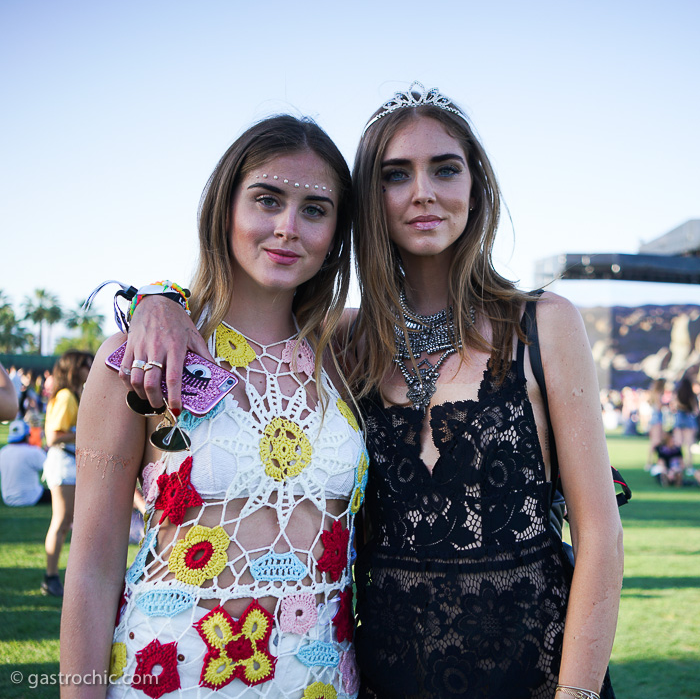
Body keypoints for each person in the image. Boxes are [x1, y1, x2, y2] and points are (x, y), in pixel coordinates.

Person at [119, 83, 624, 699]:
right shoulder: (343, 343)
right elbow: (244, 310)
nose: (423, 192)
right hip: (382, 682)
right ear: (367, 201)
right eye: (395, 175)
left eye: (446, 169)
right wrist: (159, 296)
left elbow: (599, 532)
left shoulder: (542, 324)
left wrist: (577, 692)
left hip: (537, 679)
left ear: (476, 188)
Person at [61, 115, 364, 699]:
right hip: (170, 676)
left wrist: (153, 294)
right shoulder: (138, 358)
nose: (287, 228)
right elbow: (94, 568)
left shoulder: (349, 354)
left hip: (321, 680)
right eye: (267, 200)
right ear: (224, 208)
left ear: (337, 232)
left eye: (315, 209)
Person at [42, 350, 93, 597]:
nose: (90, 368)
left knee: (67, 523)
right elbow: (53, 436)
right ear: (74, 367)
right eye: (86, 364)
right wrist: (87, 430)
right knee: (61, 522)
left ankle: (58, 578)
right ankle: (50, 577)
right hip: (63, 463)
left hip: (69, 462)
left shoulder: (73, 395)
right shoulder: (65, 397)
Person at [0, 419, 48, 506]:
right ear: (27, 436)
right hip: (32, 497)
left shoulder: (2, 452)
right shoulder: (33, 451)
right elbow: (50, 467)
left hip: (7, 498)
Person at [672, 368, 698, 474]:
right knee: (689, 444)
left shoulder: (677, 392)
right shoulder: (692, 395)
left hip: (679, 416)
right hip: (688, 417)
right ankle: (689, 465)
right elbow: (696, 409)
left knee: (679, 443)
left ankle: (678, 465)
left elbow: (674, 405)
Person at [645, 378, 666, 470]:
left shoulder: (653, 393)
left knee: (654, 441)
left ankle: (652, 461)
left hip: (654, 418)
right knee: (656, 441)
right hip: (657, 419)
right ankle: (650, 462)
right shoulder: (658, 394)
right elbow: (659, 406)